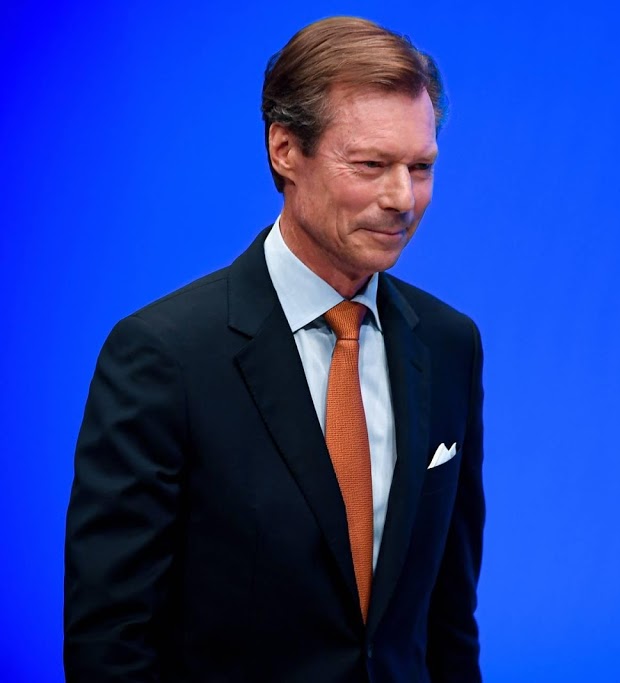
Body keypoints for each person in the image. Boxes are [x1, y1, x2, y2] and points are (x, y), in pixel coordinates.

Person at [64, 16, 484, 683]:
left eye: (420, 167)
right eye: (371, 165)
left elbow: (449, 621)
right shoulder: (164, 355)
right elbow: (110, 638)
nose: (402, 198)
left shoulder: (449, 343)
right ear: (285, 149)